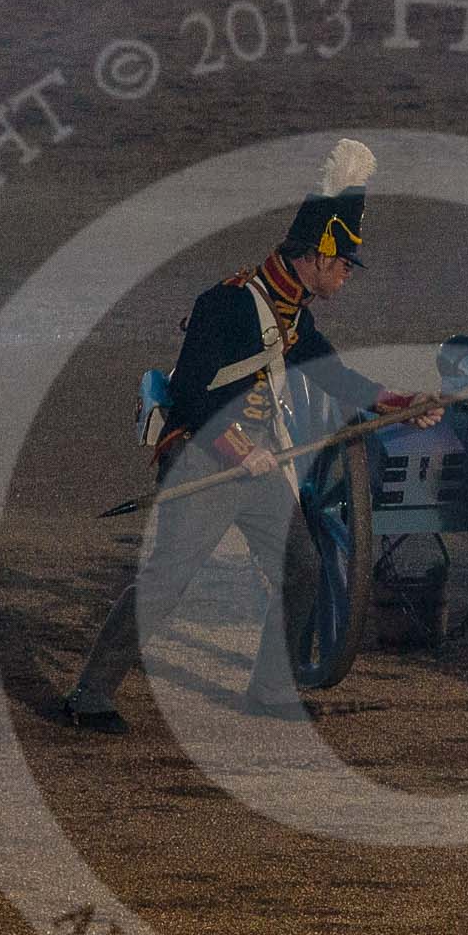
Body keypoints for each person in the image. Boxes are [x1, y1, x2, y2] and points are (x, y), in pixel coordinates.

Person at [63, 138, 438, 734]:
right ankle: (89, 695)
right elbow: (190, 397)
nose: (345, 273)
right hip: (205, 466)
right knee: (166, 584)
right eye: (342, 262)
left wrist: (400, 404)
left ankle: (270, 689)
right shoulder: (227, 304)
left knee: (304, 571)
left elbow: (333, 374)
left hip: (258, 468)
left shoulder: (294, 314)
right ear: (316, 254)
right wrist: (240, 451)